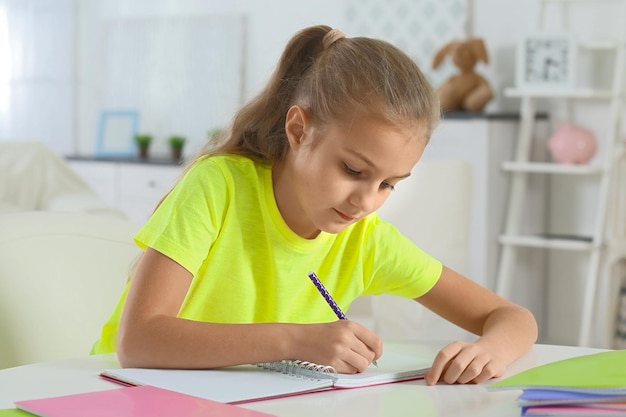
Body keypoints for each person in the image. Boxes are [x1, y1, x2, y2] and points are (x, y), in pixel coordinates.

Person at [92, 25, 537, 386]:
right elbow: (140, 341)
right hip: (113, 396)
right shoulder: (218, 186)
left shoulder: (366, 241)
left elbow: (511, 317)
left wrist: (488, 352)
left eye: (389, 185)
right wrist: (296, 340)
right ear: (299, 129)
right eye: (353, 170)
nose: (366, 202)